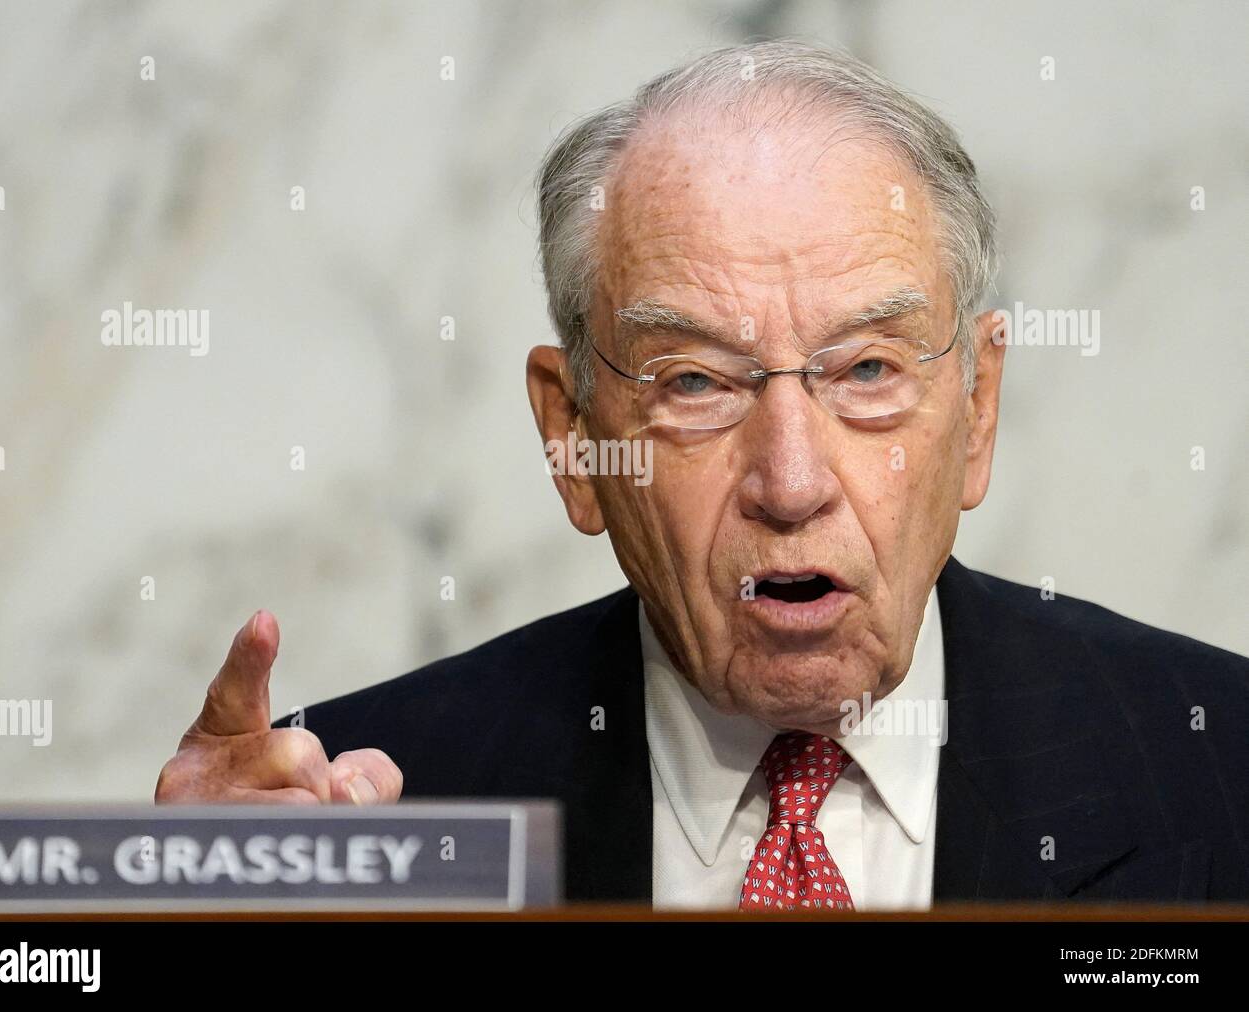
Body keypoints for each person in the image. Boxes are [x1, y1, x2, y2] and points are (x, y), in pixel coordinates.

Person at [155, 40, 1249, 908]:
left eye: (866, 369)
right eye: (694, 383)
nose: (790, 480)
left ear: (977, 409)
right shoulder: (361, 814)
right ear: (574, 438)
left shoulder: (1218, 763)